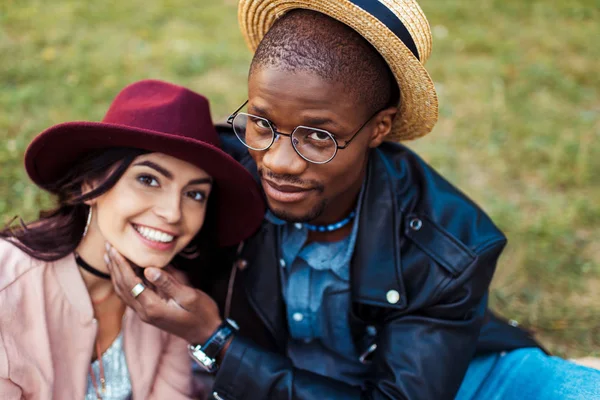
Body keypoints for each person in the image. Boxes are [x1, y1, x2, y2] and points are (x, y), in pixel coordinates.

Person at [104, 2, 600, 399]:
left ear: (378, 129)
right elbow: (109, 183)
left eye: (318, 136)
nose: (278, 162)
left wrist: (216, 341)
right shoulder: (220, 174)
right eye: (262, 123)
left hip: (459, 381)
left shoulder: (450, 249)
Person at [0, 79, 264, 399]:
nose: (172, 213)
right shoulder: (8, 285)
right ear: (89, 183)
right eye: (148, 179)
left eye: (195, 194)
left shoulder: (170, 301)